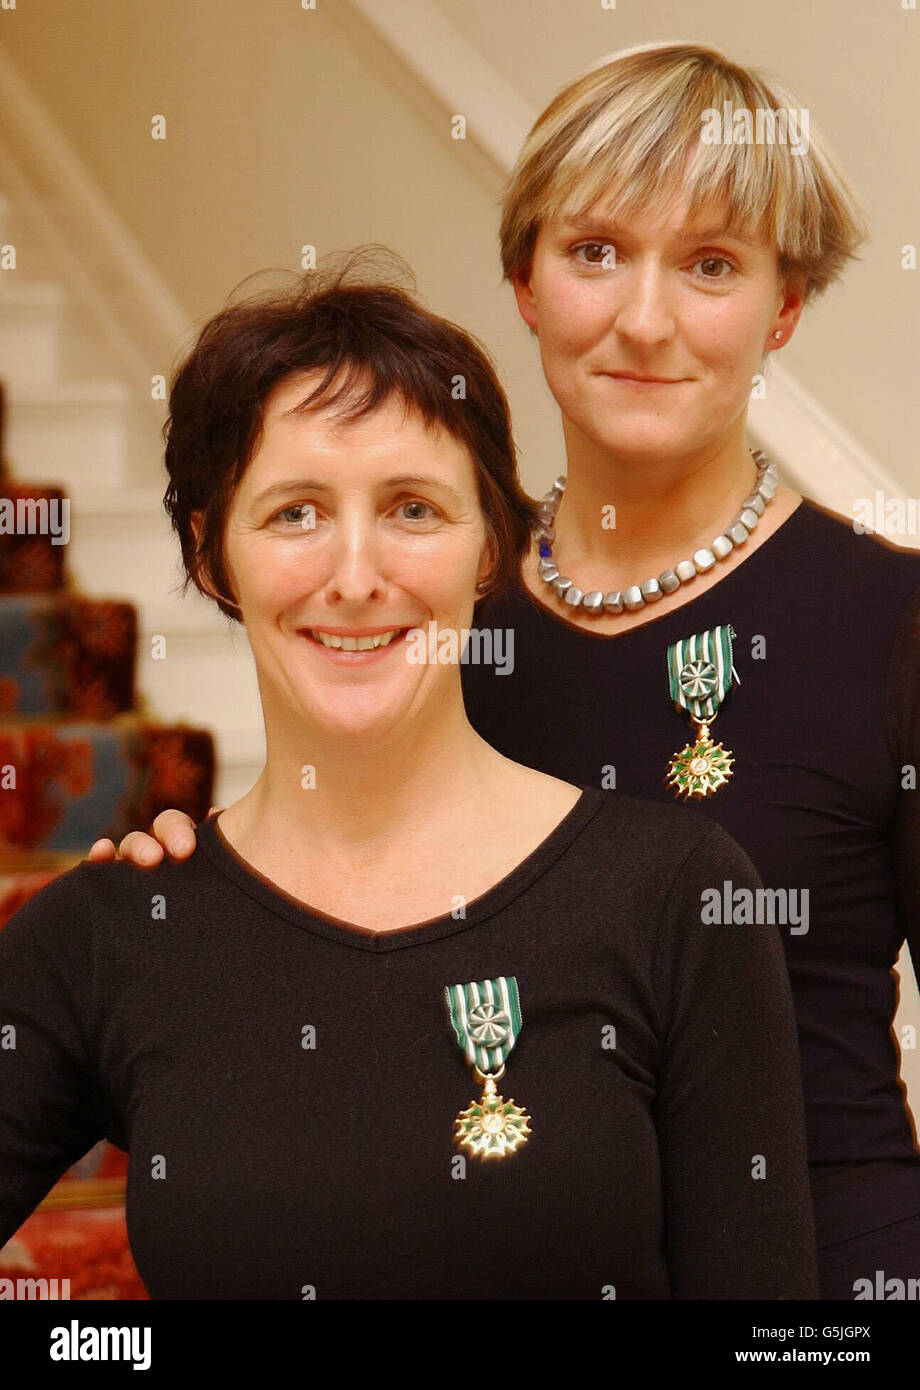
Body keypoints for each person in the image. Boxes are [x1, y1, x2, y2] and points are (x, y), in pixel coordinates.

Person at [98, 43, 920, 1301]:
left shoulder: (890, 619)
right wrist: (177, 887)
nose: (641, 318)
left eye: (708, 265)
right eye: (594, 252)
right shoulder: (414, 610)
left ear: (783, 308)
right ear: (524, 280)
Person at [0, 256, 817, 1299]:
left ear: (487, 548)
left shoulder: (676, 893)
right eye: (294, 512)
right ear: (212, 559)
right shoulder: (111, 931)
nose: (354, 575)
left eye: (412, 510)